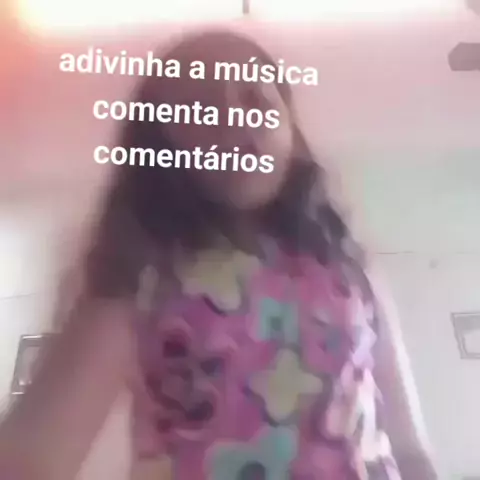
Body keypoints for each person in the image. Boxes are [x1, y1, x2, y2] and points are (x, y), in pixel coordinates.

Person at [0, 28, 438, 480]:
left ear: (290, 131)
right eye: (201, 107)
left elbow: (410, 451)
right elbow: (27, 462)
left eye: (256, 99)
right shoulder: (139, 276)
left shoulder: (349, 266)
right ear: (160, 146)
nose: (236, 120)